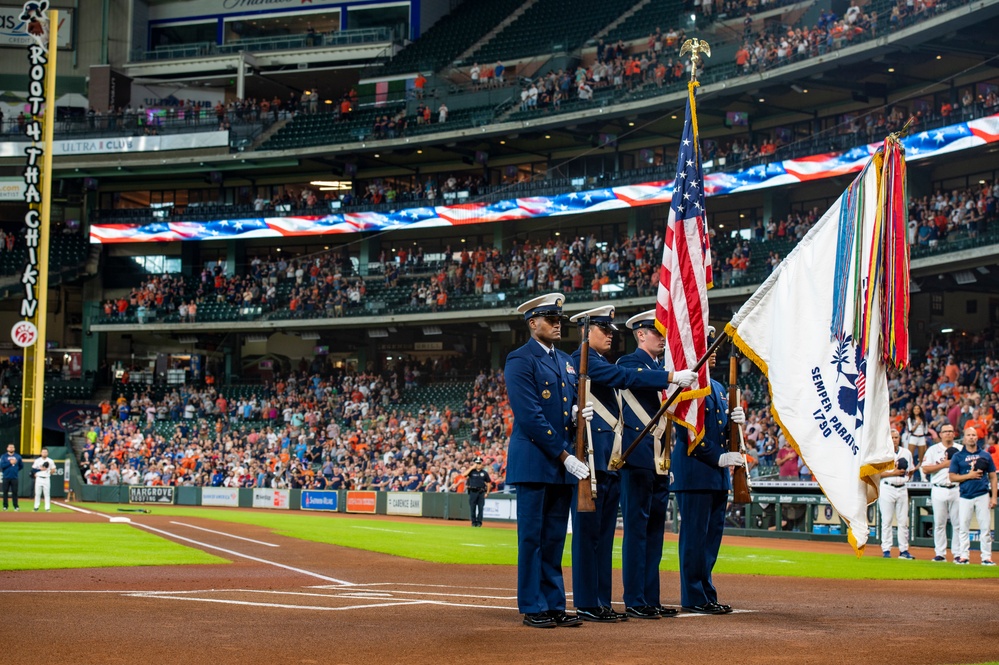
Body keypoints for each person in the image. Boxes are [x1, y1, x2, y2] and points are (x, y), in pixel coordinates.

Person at [567, 306, 694, 623]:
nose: (611, 334)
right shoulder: (582, 362)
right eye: (604, 329)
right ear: (587, 331)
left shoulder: (600, 362)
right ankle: (588, 601)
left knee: (605, 536)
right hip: (593, 459)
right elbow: (622, 377)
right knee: (590, 536)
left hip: (609, 459)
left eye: (611, 330)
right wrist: (669, 376)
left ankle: (601, 601)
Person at [504, 292, 590, 628]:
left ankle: (554, 603)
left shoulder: (565, 361)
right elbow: (529, 416)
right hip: (537, 461)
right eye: (551, 320)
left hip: (559, 463)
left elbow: (559, 410)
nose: (557, 324)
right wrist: (565, 454)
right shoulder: (520, 359)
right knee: (532, 538)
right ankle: (532, 604)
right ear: (533, 323)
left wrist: (575, 415)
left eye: (558, 320)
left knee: (554, 538)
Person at [617, 309, 697, 620]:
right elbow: (637, 379)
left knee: (654, 534)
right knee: (637, 532)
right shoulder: (630, 363)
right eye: (656, 332)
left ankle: (650, 597)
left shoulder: (660, 368)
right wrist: (671, 376)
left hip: (659, 460)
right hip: (637, 459)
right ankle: (635, 598)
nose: (662, 338)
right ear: (640, 335)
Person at [671, 326, 745, 614]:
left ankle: (706, 591)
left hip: (715, 475)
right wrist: (719, 458)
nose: (713, 352)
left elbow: (719, 431)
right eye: (707, 347)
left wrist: (733, 422)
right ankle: (693, 595)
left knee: (711, 539)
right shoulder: (689, 386)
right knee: (694, 539)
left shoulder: (716, 387)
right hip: (696, 472)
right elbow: (690, 433)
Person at [949, 427, 997, 565]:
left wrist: (993, 497)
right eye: (969, 435)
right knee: (963, 527)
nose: (971, 437)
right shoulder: (958, 456)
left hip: (982, 494)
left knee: (985, 527)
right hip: (965, 495)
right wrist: (969, 476)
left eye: (974, 435)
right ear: (964, 438)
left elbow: (993, 477)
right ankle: (964, 556)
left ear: (977, 438)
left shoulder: (985, 455)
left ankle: (986, 557)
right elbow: (952, 477)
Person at [920, 422, 962, 561]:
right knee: (939, 523)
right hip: (939, 488)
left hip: (956, 488)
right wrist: (944, 464)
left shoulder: (960, 449)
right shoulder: (933, 450)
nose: (948, 433)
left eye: (950, 431)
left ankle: (957, 554)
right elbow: (925, 469)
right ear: (940, 434)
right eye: (945, 431)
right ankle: (940, 553)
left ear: (954, 434)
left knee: (958, 523)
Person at [878, 429, 916, 558]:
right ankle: (886, 549)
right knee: (887, 520)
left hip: (902, 488)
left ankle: (904, 550)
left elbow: (910, 470)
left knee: (903, 521)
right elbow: (876, 474)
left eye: (896, 437)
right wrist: (893, 473)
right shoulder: (882, 453)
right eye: (892, 437)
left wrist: (907, 476)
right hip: (887, 487)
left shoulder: (906, 453)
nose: (895, 439)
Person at [464, 457, 491, 527]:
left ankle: (479, 522)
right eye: (477, 463)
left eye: (479, 463)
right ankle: (473, 522)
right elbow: (464, 475)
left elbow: (488, 483)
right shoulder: (472, 472)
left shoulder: (484, 473)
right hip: (473, 491)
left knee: (480, 508)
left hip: (481, 491)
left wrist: (487, 492)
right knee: (472, 508)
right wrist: (471, 467)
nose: (478, 465)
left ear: (482, 464)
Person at [32, 447, 55, 512]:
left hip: (46, 478)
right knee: (37, 493)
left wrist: (51, 471)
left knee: (47, 494)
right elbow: (33, 469)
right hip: (39, 478)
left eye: (45, 452)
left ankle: (47, 508)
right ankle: (36, 507)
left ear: (47, 453)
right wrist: (39, 470)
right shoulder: (37, 460)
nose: (44, 453)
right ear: (41, 453)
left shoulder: (50, 461)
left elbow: (53, 469)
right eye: (43, 452)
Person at [1, 443, 22, 511]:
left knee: (15, 492)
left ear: (14, 448)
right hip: (6, 477)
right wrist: (10, 463)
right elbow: (1, 466)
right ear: (7, 448)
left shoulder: (18, 456)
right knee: (5, 492)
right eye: (10, 447)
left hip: (14, 477)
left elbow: (21, 466)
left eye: (12, 447)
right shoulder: (4, 456)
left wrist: (15, 470)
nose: (11, 448)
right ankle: (5, 506)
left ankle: (16, 506)